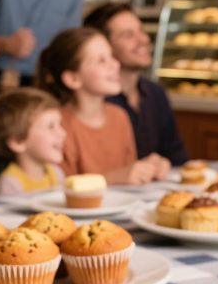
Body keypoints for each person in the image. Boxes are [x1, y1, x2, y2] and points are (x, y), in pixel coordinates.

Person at [36, 27, 164, 184]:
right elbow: (58, 189)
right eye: (101, 60)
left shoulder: (119, 116)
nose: (115, 64)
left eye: (111, 56)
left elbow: (129, 175)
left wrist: (149, 169)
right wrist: (110, 179)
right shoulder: (56, 124)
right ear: (73, 79)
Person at [83, 2, 188, 171]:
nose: (144, 40)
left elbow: (177, 157)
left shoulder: (156, 93)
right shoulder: (93, 99)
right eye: (128, 35)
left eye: (141, 31)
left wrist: (164, 165)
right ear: (103, 46)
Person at [0, 87, 66, 196]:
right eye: (51, 126)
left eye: (60, 124)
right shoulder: (10, 184)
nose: (63, 133)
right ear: (18, 142)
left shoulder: (57, 174)